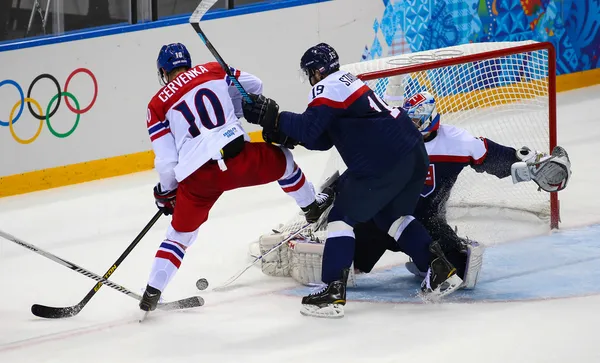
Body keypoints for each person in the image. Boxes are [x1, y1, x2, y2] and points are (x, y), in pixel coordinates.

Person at [257, 91, 572, 293]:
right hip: (379, 223)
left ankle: (424, 261)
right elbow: (363, 173)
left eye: (421, 121)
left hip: (428, 224)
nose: (416, 126)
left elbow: (493, 157)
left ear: (434, 118)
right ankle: (308, 246)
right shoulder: (392, 137)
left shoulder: (458, 142)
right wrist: (335, 193)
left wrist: (529, 167)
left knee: (460, 270)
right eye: (412, 120)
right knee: (344, 269)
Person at [242, 43, 462, 318]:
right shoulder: (349, 82)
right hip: (414, 154)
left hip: (385, 160)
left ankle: (332, 292)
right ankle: (440, 270)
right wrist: (279, 130)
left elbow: (309, 129)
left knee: (340, 219)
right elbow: (321, 139)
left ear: (315, 72)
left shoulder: (327, 86)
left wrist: (272, 116)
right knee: (391, 216)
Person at [139, 43, 333, 315]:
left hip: (197, 179)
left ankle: (152, 292)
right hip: (236, 159)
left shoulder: (156, 104)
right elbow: (255, 85)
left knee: (179, 236)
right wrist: (234, 106)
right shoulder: (212, 69)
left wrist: (167, 192)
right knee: (285, 161)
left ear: (163, 71)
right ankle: (312, 207)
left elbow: (167, 161)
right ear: (189, 62)